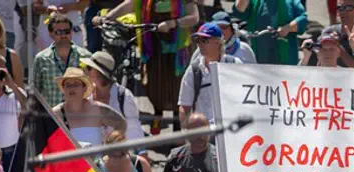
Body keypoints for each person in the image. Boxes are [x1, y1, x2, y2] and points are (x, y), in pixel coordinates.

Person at [96, 0, 200, 134]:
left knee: (176, 86)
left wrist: (173, 23)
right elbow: (130, 4)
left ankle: (177, 126)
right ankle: (157, 115)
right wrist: (108, 17)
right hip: (153, 48)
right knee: (154, 84)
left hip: (177, 50)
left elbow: (194, 17)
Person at [179, 22, 242, 127]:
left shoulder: (235, 65)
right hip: (204, 133)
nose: (200, 44)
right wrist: (186, 128)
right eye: (198, 40)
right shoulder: (193, 71)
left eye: (204, 40)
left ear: (217, 42)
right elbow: (184, 105)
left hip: (231, 130)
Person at [53, 67, 126, 146]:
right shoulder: (56, 113)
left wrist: (111, 143)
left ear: (84, 88)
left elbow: (121, 123)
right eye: (68, 85)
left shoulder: (97, 109)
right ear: (63, 88)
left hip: (97, 154)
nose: (72, 88)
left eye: (76, 84)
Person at [83, 51, 146, 141]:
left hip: (119, 149)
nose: (85, 70)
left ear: (100, 73)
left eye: (89, 68)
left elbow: (135, 134)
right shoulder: (86, 94)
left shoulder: (124, 97)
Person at [33, 13, 92, 108]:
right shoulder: (41, 58)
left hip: (80, 113)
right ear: (50, 34)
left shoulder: (85, 56)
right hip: (52, 114)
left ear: (71, 32)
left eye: (67, 31)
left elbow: (92, 87)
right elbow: (36, 92)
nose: (63, 35)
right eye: (59, 32)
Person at [231, 0, 307, 66]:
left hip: (284, 56)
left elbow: (303, 19)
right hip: (258, 54)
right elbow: (239, 12)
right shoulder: (255, 2)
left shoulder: (290, 1)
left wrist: (288, 28)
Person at [320, 0, 354, 68]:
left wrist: (340, 46)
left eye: (349, 7)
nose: (344, 12)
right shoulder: (328, 32)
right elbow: (320, 63)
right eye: (340, 8)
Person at [191, 12, 256, 64]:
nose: (220, 31)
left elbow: (253, 72)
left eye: (224, 27)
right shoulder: (201, 50)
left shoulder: (244, 49)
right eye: (216, 28)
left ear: (231, 29)